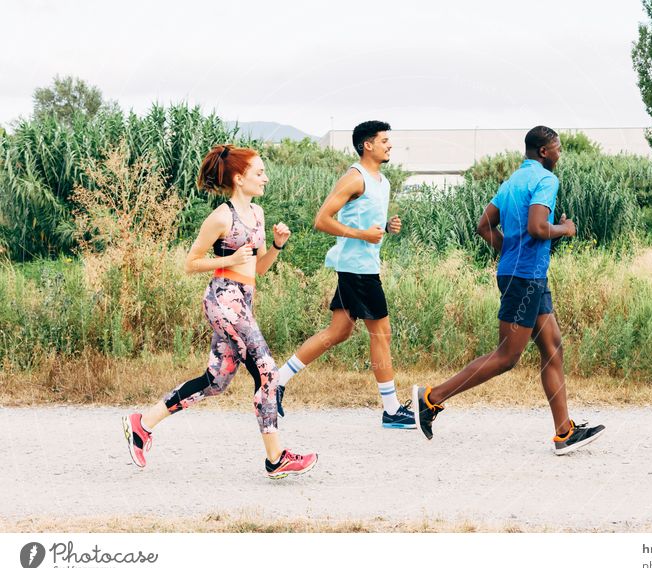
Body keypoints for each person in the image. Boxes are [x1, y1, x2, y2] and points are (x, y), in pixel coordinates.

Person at [122, 144, 318, 479]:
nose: (265, 178)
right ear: (240, 179)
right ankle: (276, 458)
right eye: (259, 173)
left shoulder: (257, 214)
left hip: (243, 297)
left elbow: (257, 270)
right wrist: (228, 259)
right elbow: (190, 263)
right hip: (223, 299)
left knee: (216, 381)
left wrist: (276, 246)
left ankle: (142, 423)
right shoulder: (221, 217)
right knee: (268, 372)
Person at [411, 126, 605, 455]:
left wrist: (507, 251)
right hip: (525, 280)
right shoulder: (546, 180)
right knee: (506, 357)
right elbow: (538, 227)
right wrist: (567, 229)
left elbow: (483, 225)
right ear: (543, 151)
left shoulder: (512, 181)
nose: (560, 153)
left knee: (553, 347)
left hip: (527, 276)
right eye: (557, 148)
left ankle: (564, 432)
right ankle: (431, 399)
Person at [274, 121, 414, 429]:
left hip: (363, 266)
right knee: (382, 333)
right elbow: (321, 220)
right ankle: (391, 410)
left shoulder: (382, 181)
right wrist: (362, 235)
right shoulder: (354, 178)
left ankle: (276, 381)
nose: (389, 145)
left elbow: (368, 224)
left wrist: (386, 228)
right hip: (357, 268)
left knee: (338, 332)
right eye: (384, 141)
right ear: (368, 145)